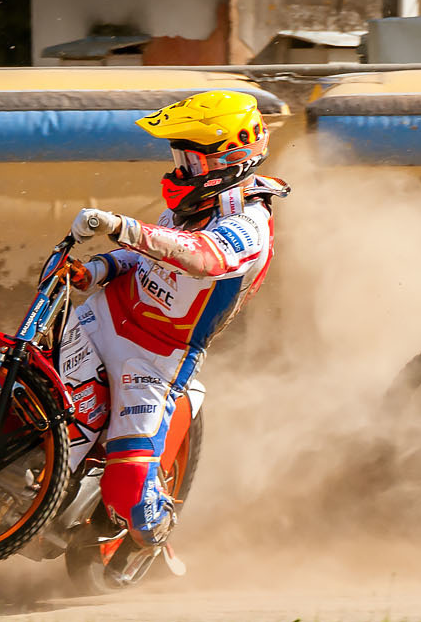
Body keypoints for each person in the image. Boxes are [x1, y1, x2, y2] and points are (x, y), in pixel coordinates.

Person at [60, 89, 286, 586]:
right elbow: (145, 260)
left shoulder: (252, 219)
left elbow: (203, 257)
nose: (179, 171)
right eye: (177, 157)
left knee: (126, 491)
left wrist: (121, 227)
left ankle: (152, 533)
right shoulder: (186, 209)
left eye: (190, 159)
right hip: (101, 318)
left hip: (157, 356)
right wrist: (96, 269)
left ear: (231, 156)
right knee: (21, 388)